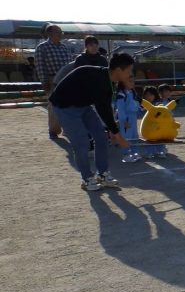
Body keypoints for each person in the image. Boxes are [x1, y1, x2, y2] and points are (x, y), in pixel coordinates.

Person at [48, 52, 133, 191]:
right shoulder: (98, 79)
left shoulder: (109, 81)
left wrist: (113, 131)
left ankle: (103, 174)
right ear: (118, 70)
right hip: (65, 107)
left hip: (83, 106)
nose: (130, 74)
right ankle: (87, 179)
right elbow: (103, 109)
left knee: (101, 137)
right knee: (81, 143)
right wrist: (118, 136)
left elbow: (106, 108)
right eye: (129, 71)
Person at [35, 24, 74, 139]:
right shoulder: (42, 47)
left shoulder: (64, 47)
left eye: (61, 32)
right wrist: (44, 81)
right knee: (54, 105)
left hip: (66, 79)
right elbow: (40, 66)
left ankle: (67, 129)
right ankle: (53, 130)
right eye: (58, 32)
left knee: (67, 105)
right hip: (52, 79)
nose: (61, 34)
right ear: (50, 34)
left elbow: (70, 64)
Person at [115, 76, 142, 163]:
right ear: (123, 83)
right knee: (126, 136)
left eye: (133, 82)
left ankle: (135, 152)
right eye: (130, 82)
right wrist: (124, 120)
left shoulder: (133, 93)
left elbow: (136, 104)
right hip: (126, 117)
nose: (132, 84)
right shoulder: (121, 94)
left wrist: (139, 110)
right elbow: (121, 109)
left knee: (134, 136)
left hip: (133, 117)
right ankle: (126, 154)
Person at [141, 85, 167, 159]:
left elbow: (159, 113)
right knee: (149, 137)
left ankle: (161, 150)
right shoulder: (145, 104)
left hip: (158, 124)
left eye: (150, 95)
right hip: (149, 125)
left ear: (155, 95)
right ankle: (150, 152)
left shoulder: (158, 103)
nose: (148, 97)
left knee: (159, 137)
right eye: (146, 95)